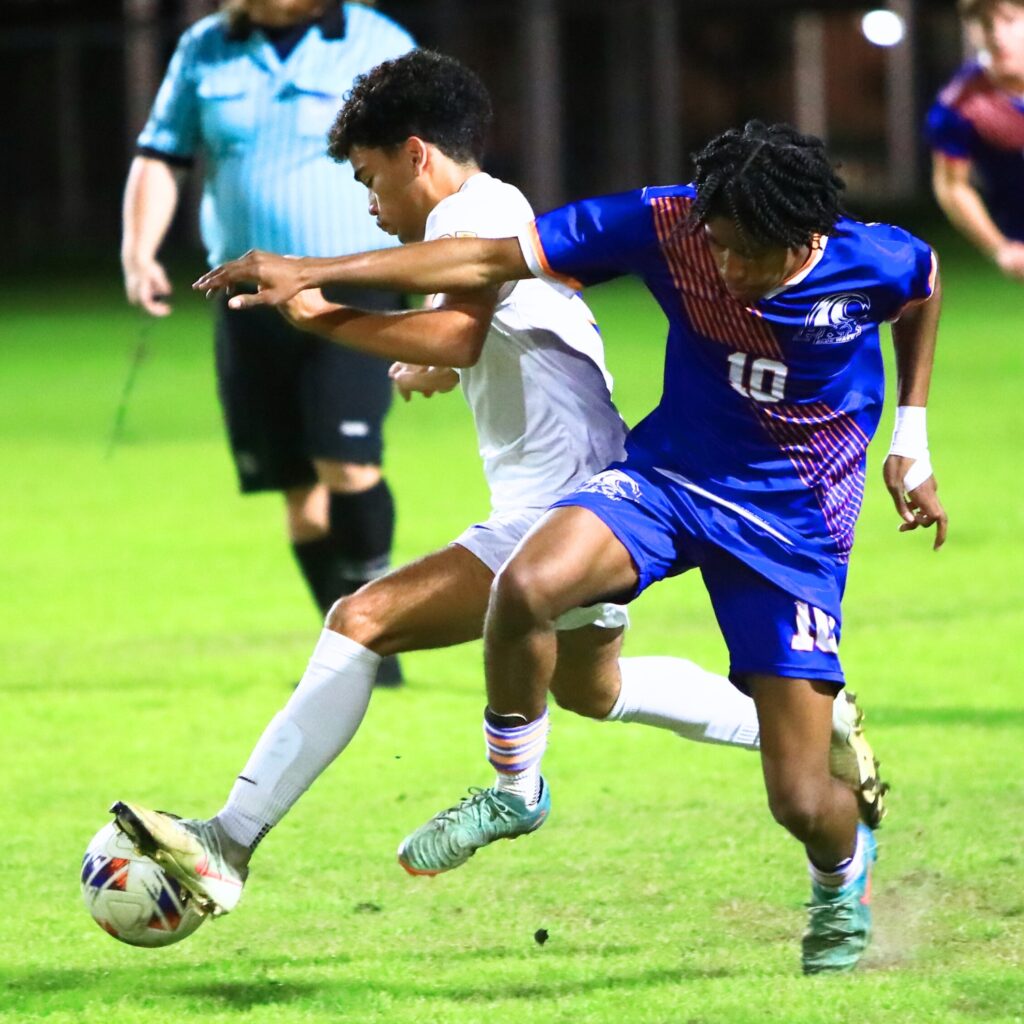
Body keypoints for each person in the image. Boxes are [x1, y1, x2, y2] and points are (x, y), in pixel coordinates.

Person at [112, 59, 885, 943]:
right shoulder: (493, 206)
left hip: (570, 502)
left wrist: (320, 312)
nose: (370, 203)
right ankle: (801, 729)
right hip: (593, 482)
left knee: (361, 620)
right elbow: (494, 333)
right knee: (594, 690)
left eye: (368, 179)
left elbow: (460, 327)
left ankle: (229, 842)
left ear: (414, 155)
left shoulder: (471, 214)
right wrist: (433, 360)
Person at [120, 0, 415, 684]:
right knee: (297, 492)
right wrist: (139, 251)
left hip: (350, 286)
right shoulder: (205, 48)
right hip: (245, 295)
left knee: (347, 463)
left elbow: (428, 161)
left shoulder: (375, 40)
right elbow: (162, 152)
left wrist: (439, 266)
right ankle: (352, 644)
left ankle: (381, 637)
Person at [926, 0, 1024, 280]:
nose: (996, 34)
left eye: (1009, 20)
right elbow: (952, 184)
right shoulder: (960, 106)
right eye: (983, 23)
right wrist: (1000, 248)